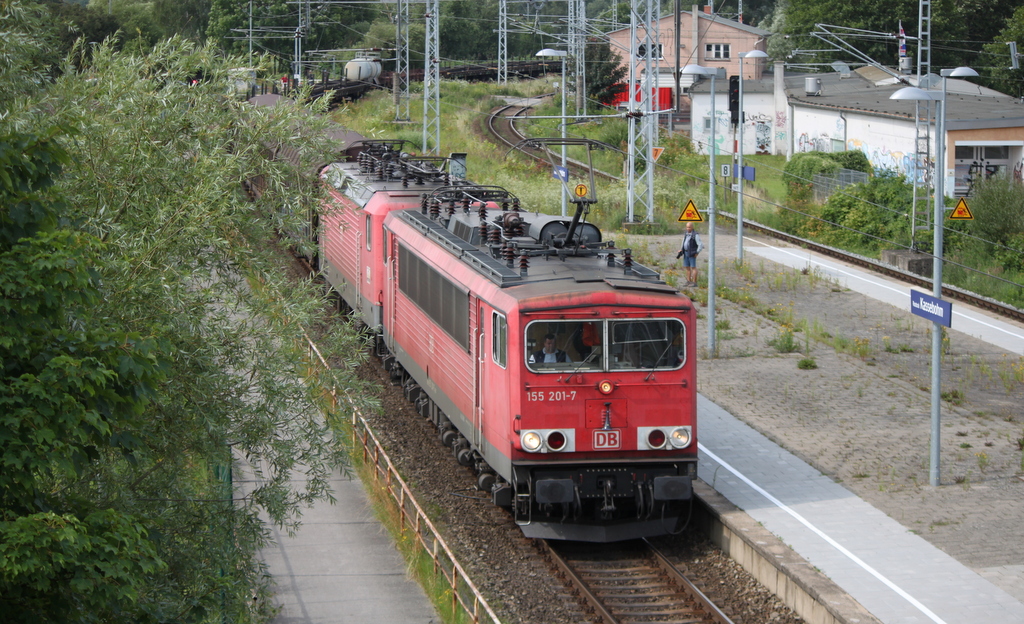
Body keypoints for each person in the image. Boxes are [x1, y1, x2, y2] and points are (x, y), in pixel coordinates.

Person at [676, 222, 703, 287]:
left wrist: (697, 252)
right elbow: (684, 242)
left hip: (692, 253)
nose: (688, 228)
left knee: (693, 267)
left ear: (692, 227)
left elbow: (700, 245)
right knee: (687, 267)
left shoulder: (695, 235)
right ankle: (688, 281)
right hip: (685, 252)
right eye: (687, 227)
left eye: (689, 227)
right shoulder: (686, 234)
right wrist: (681, 249)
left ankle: (694, 282)